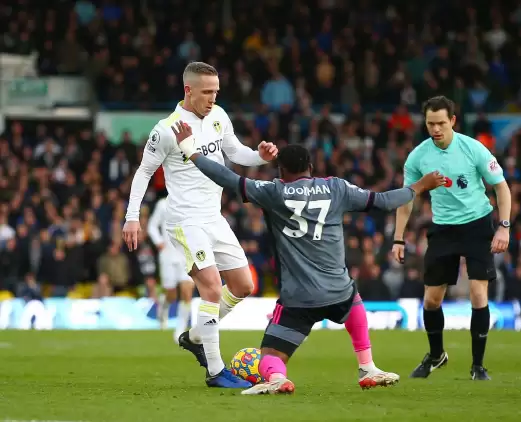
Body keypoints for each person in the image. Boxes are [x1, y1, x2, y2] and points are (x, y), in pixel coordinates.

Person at [172, 121, 445, 394]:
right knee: (353, 299)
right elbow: (384, 201)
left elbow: (227, 178)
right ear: (311, 168)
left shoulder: (273, 191)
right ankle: (368, 366)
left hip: (298, 298)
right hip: (338, 291)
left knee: (269, 353)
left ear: (281, 171)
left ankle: (277, 378)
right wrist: (420, 185)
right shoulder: (337, 188)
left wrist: (191, 151)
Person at [122, 61, 278, 389]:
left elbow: (237, 153)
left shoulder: (219, 117)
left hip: (214, 217)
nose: (212, 98)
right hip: (185, 220)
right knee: (209, 287)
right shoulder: (167, 129)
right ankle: (216, 370)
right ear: (188, 90)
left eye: (216, 92)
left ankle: (196, 336)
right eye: (207, 92)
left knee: (243, 285)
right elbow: (144, 172)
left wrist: (260, 156)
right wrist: (132, 217)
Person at [392, 96, 511, 381]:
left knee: (478, 294)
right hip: (443, 228)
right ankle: (436, 356)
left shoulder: (473, 149)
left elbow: (502, 188)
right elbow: (407, 199)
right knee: (431, 300)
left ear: (453, 121)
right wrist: (398, 238)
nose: (436, 129)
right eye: (431, 123)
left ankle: (478, 366)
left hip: (477, 225)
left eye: (441, 123)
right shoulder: (419, 156)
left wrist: (504, 226)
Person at [147, 196, 194, 339]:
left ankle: (180, 330)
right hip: (168, 255)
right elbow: (151, 226)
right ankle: (163, 305)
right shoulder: (162, 204)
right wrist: (159, 242)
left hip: (187, 254)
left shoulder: (191, 202)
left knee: (187, 291)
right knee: (171, 294)